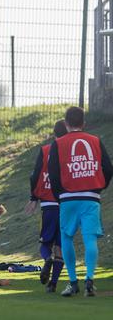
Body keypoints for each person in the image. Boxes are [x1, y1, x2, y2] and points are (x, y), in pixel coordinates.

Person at [48, 106, 113, 297]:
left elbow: (53, 173)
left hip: (68, 198)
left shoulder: (58, 143)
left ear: (66, 123)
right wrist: (98, 186)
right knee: (90, 238)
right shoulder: (95, 141)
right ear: (83, 122)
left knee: (66, 238)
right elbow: (108, 168)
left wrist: (59, 193)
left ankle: (73, 282)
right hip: (91, 197)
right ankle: (90, 280)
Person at [25, 119, 68, 292]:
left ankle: (47, 260)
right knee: (61, 246)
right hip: (67, 203)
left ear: (54, 133)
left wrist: (33, 197)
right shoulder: (70, 150)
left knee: (45, 243)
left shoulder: (45, 150)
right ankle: (53, 284)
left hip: (49, 203)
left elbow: (34, 175)